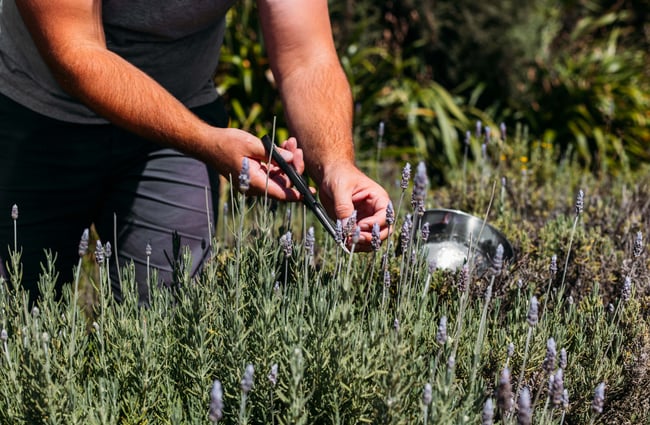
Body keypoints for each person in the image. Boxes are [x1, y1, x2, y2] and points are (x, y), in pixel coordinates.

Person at [0, 0, 391, 303]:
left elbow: (306, 57)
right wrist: (207, 141)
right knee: (17, 320)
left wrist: (337, 164)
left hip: (179, 125)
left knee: (167, 330)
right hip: (36, 115)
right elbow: (75, 53)